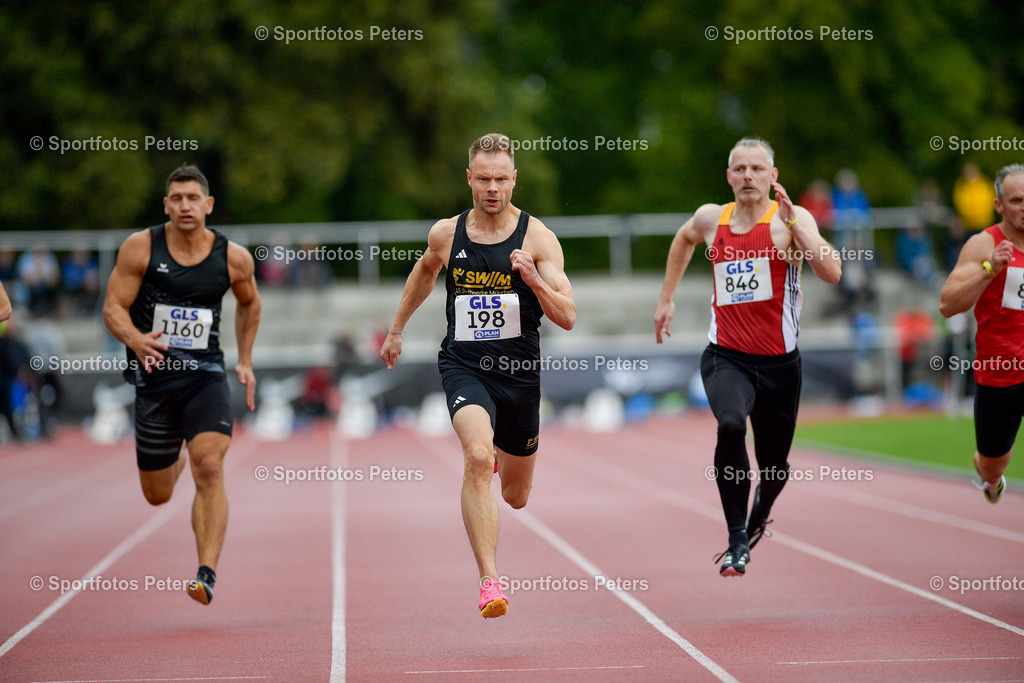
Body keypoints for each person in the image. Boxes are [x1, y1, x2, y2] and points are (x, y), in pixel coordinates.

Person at [379, 133, 575, 617]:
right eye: (483, 179)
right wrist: (396, 328)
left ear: (514, 180)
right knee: (475, 456)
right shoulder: (447, 234)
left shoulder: (538, 239)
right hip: (464, 366)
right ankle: (490, 580)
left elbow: (568, 315)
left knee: (516, 495)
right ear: (469, 179)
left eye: (501, 179)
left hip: (520, 373)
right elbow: (425, 273)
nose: (492, 188)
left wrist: (532, 280)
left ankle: (495, 458)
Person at [654, 137, 841, 576]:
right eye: (739, 169)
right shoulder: (710, 218)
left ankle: (760, 513)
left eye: (757, 169)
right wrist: (666, 299)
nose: (748, 177)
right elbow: (683, 239)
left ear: (773, 177)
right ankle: (737, 536)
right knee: (731, 424)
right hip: (727, 357)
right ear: (728, 177)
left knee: (773, 468)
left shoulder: (789, 221)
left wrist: (799, 229)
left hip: (780, 365)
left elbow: (832, 272)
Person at [102, 165, 261, 604]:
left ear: (208, 205)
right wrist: (134, 339)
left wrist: (244, 359)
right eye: (176, 198)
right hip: (153, 379)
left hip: (205, 376)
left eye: (193, 198)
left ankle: (206, 572)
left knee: (209, 465)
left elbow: (250, 304)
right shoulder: (141, 248)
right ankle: (176, 449)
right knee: (157, 494)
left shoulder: (233, 258)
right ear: (166, 205)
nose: (185, 206)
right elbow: (113, 307)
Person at [940, 163, 1024, 504]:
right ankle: (990, 477)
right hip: (1000, 373)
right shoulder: (982, 245)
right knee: (991, 466)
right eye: (1017, 200)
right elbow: (948, 305)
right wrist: (991, 269)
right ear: (999, 206)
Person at [953, 163, 996, 232]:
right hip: (968, 225)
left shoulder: (985, 184)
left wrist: (984, 215)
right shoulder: (961, 186)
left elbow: (991, 201)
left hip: (985, 222)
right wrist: (969, 217)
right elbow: (960, 204)